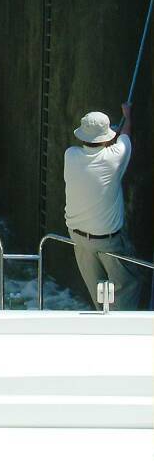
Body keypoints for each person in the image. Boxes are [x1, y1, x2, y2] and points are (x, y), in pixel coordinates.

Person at [64, 104, 141, 310]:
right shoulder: (114, 156)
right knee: (129, 284)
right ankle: (122, 329)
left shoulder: (69, 156)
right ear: (107, 138)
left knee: (98, 290)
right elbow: (126, 135)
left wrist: (108, 139)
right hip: (108, 241)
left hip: (78, 238)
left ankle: (102, 324)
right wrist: (128, 116)